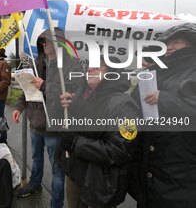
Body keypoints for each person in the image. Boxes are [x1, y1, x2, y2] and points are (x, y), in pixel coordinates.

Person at [12, 28, 83, 208]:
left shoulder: (72, 65)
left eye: (49, 41)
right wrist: (19, 107)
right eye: (42, 41)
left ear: (59, 42)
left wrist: (45, 86)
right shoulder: (37, 63)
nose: (45, 44)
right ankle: (35, 184)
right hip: (35, 122)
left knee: (57, 169)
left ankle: (56, 203)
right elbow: (29, 89)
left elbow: (75, 93)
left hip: (55, 126)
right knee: (36, 158)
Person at [57, 56, 140, 208]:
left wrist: (75, 142)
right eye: (89, 65)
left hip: (100, 183)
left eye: (97, 66)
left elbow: (120, 150)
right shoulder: (80, 96)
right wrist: (67, 111)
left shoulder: (125, 107)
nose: (89, 69)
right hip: (75, 174)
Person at [129, 23, 196, 208]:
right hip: (149, 168)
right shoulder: (154, 71)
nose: (171, 46)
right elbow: (134, 105)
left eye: (177, 41)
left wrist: (165, 99)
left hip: (181, 173)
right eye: (167, 43)